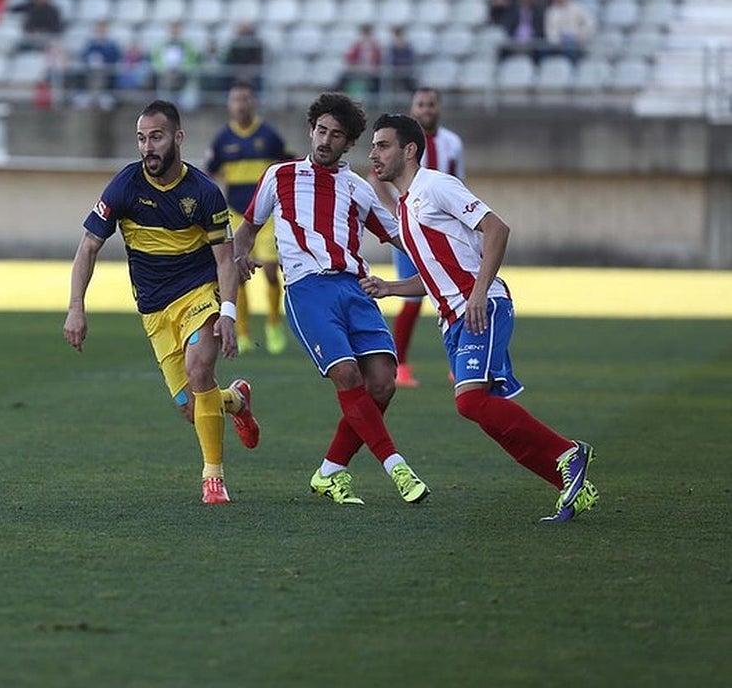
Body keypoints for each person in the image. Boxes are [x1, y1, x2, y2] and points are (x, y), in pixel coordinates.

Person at [364, 113, 598, 522]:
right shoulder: (406, 208)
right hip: (455, 318)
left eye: (383, 145)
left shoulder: (436, 185)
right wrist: (391, 288)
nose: (374, 153)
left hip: (482, 307)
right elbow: (435, 275)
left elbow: (497, 229)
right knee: (487, 414)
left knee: (470, 402)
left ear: (409, 149)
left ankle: (569, 453)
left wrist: (476, 294)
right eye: (373, 146)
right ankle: (570, 486)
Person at [232, 92, 429, 507]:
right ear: (311, 130)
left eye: (335, 135)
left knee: (382, 384)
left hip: (355, 289)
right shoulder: (280, 176)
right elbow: (248, 226)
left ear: (348, 143)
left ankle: (330, 473)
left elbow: (399, 235)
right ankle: (397, 466)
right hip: (308, 290)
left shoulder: (358, 188)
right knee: (348, 377)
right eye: (320, 130)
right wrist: (239, 254)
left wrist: (449, 255)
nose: (324, 140)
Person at [64, 100, 261, 505]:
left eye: (156, 137)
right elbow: (88, 247)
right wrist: (76, 307)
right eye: (141, 138)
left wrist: (227, 312)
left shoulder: (203, 192)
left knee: (200, 366)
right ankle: (236, 400)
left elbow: (225, 260)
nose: (148, 147)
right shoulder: (125, 186)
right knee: (192, 407)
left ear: (178, 138)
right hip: (154, 309)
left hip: (198, 294)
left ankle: (213, 478)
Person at [367, 87, 464, 388]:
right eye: (420, 104)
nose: (425, 109)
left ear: (438, 108)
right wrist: (394, 209)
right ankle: (402, 363)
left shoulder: (451, 143)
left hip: (442, 228)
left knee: (454, 290)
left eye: (430, 104)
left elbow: (458, 181)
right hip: (411, 227)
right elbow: (375, 176)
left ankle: (460, 364)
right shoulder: (396, 143)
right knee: (412, 298)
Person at [205, 80, 292, 355]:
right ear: (230, 105)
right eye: (236, 100)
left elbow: (285, 162)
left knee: (270, 271)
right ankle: (242, 331)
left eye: (245, 99)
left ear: (252, 103)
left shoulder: (268, 135)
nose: (241, 105)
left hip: (264, 215)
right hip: (234, 214)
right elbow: (210, 172)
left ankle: (273, 322)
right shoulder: (222, 140)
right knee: (236, 274)